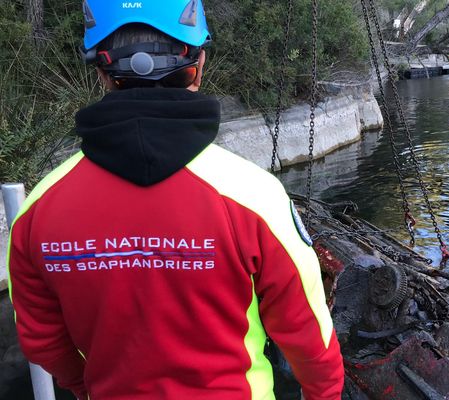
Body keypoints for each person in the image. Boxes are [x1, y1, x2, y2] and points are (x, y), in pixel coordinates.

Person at [7, 1, 344, 399]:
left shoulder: (37, 211)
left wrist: (88, 388)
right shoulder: (254, 197)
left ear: (101, 73)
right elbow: (310, 337)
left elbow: (43, 340)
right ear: (198, 65)